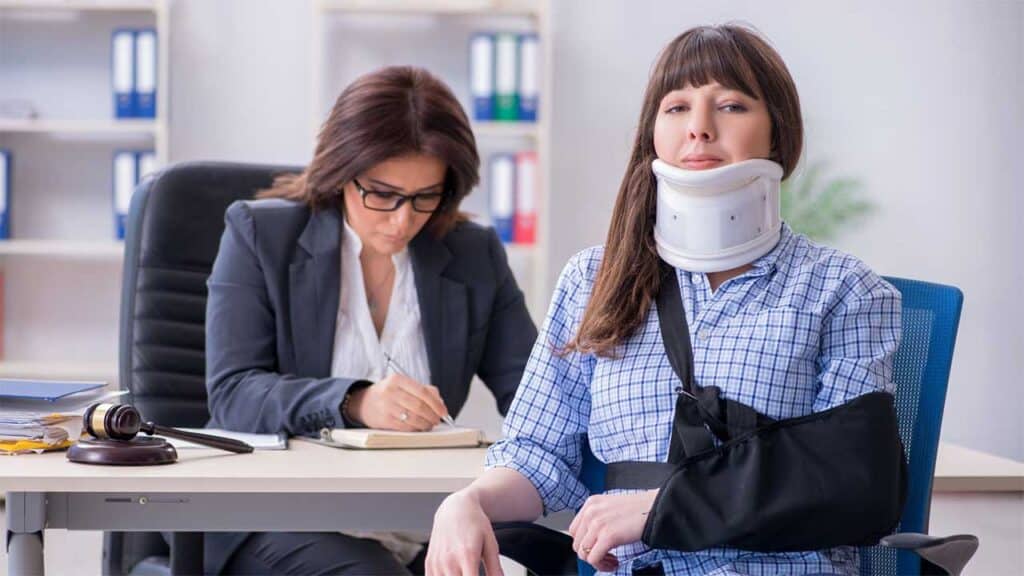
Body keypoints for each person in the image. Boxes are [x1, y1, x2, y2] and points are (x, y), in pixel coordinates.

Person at [426, 24, 905, 576]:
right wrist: (468, 502)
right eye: (676, 108)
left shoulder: (844, 291)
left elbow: (849, 480)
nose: (699, 129)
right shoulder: (593, 280)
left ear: (778, 133)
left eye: (730, 105)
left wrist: (661, 506)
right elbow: (538, 454)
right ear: (652, 132)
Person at [202, 65, 538, 575]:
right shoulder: (258, 235)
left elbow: (538, 401)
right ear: (341, 173)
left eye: (426, 197)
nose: (403, 220)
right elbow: (233, 394)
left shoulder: (474, 254)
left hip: (421, 517)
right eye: (381, 194)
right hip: (281, 517)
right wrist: (354, 400)